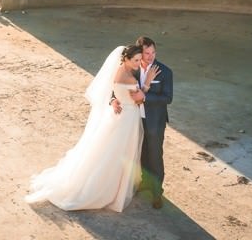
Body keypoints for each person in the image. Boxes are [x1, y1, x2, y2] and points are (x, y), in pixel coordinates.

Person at [25, 44, 158, 212]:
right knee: (119, 152)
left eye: (140, 59)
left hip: (118, 115)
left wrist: (115, 99)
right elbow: (138, 99)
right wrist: (146, 84)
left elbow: (115, 91)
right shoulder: (131, 79)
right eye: (136, 60)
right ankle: (109, 189)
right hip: (127, 117)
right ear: (126, 58)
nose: (139, 63)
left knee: (108, 150)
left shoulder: (119, 70)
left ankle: (116, 184)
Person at [112, 36, 173, 209]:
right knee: (138, 154)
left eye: (153, 52)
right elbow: (117, 86)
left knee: (154, 156)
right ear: (139, 53)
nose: (150, 56)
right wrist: (113, 101)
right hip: (133, 120)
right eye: (147, 53)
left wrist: (145, 96)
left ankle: (156, 192)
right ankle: (144, 183)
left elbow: (168, 98)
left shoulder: (165, 72)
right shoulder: (133, 67)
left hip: (154, 122)